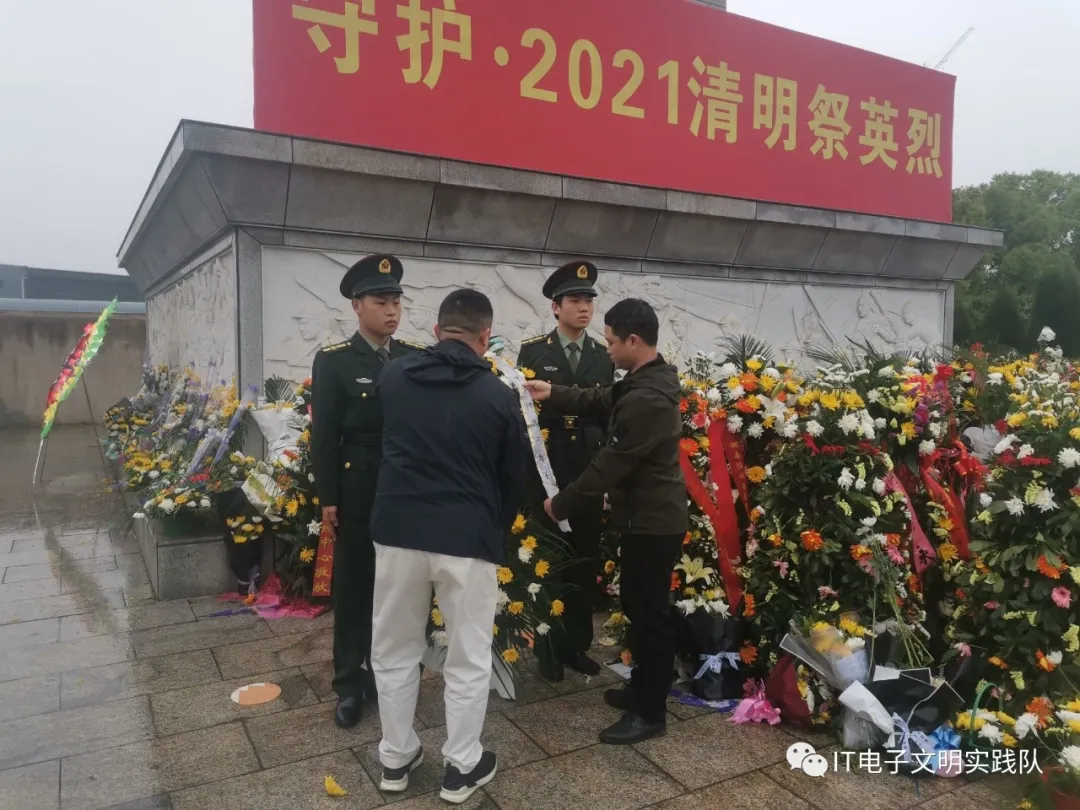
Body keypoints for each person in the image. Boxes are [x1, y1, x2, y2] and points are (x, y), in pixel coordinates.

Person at [369, 289, 528, 804]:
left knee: (394, 649)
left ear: (437, 332)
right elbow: (514, 477)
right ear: (486, 337)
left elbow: (378, 445)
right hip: (467, 536)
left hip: (398, 530)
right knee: (467, 654)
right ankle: (461, 766)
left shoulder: (394, 376)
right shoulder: (498, 395)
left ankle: (395, 757)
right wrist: (494, 529)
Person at [525, 298, 688, 745]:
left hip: (652, 523)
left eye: (613, 342)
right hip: (644, 519)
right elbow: (599, 398)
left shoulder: (647, 399)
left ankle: (650, 711)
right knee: (638, 607)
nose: (609, 349)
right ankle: (642, 687)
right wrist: (552, 392)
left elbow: (609, 465)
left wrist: (561, 504)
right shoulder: (645, 379)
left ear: (634, 341)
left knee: (649, 616)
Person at [309, 254, 424, 729]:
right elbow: (324, 435)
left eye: (396, 301)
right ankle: (349, 684)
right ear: (357, 306)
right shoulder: (335, 361)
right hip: (357, 489)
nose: (392, 310)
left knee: (400, 588)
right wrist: (328, 497)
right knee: (355, 587)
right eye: (381, 302)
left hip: (404, 488)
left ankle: (388, 675)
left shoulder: (413, 357)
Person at [517, 260, 614, 681]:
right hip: (548, 466)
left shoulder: (602, 355)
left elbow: (607, 413)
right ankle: (548, 648)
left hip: (588, 467)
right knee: (549, 558)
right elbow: (523, 416)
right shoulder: (534, 352)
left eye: (588, 300)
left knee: (584, 557)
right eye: (575, 300)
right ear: (556, 307)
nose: (584, 308)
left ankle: (577, 644)